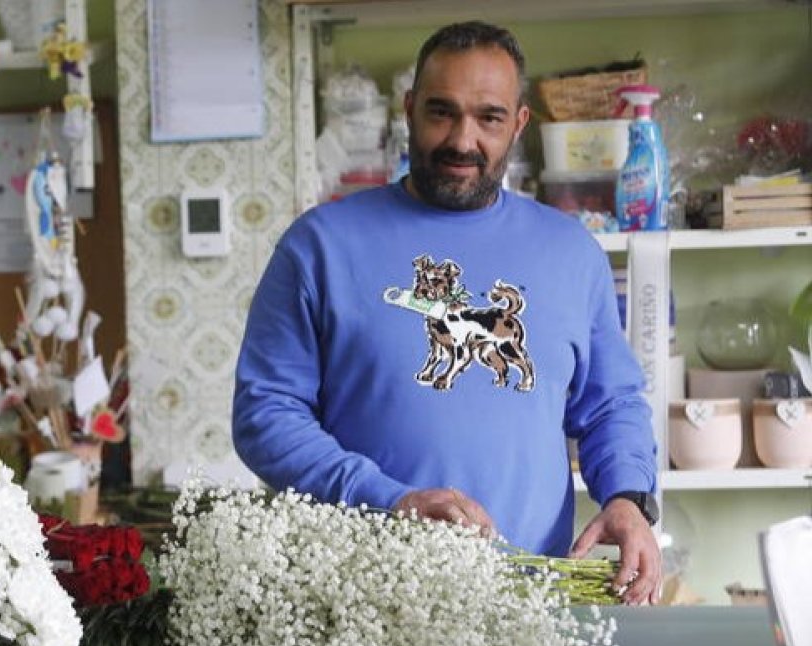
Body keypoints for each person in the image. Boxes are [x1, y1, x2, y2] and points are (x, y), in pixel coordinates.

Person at [233, 21, 661, 605]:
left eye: (488, 117)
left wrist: (628, 499)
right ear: (408, 111)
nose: (463, 140)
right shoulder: (320, 246)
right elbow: (266, 413)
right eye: (441, 112)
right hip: (358, 596)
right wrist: (388, 499)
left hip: (530, 598)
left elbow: (611, 403)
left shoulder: (570, 253)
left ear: (518, 123)